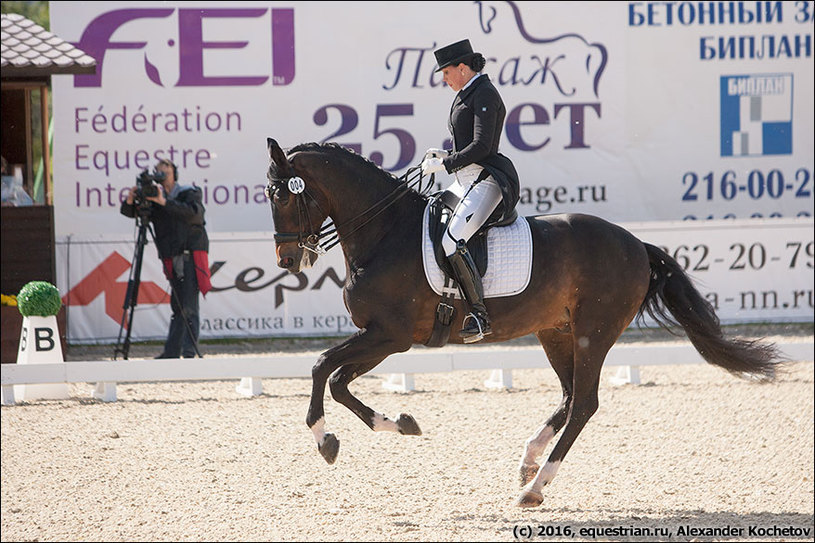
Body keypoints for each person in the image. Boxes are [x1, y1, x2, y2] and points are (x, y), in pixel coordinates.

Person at [421, 39, 520, 343]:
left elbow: (482, 146)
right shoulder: (466, 93)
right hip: (464, 180)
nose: (444, 78)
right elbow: (466, 141)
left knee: (452, 240)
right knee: (429, 215)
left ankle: (478, 314)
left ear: (462, 68)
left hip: (486, 180)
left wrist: (447, 164)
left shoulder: (485, 93)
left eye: (447, 72)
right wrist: (445, 153)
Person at [120, 158, 211, 358]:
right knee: (178, 305)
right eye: (158, 170)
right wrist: (130, 200)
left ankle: (189, 351)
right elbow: (132, 213)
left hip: (190, 254)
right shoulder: (154, 199)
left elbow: (194, 214)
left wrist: (164, 202)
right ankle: (172, 352)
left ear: (174, 172)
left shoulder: (189, 192)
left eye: (166, 169)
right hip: (171, 255)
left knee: (189, 305)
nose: (162, 172)